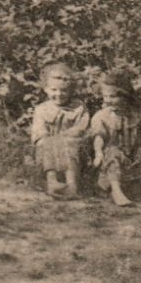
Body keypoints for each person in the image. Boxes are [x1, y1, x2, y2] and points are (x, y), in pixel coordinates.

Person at [89, 70, 141, 207]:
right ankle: (116, 192)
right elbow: (99, 136)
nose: (108, 100)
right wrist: (98, 152)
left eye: (113, 96)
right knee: (112, 151)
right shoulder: (102, 116)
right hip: (111, 163)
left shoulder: (137, 114)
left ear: (126, 97)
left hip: (133, 159)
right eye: (106, 96)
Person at [30, 62, 90, 198]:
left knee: (69, 144)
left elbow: (81, 128)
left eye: (64, 90)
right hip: (47, 150)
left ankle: (72, 185)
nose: (59, 94)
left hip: (72, 146)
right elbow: (39, 131)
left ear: (71, 90)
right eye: (54, 90)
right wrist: (50, 139)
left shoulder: (79, 107)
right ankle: (52, 181)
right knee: (47, 143)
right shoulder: (42, 109)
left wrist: (65, 137)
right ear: (46, 89)